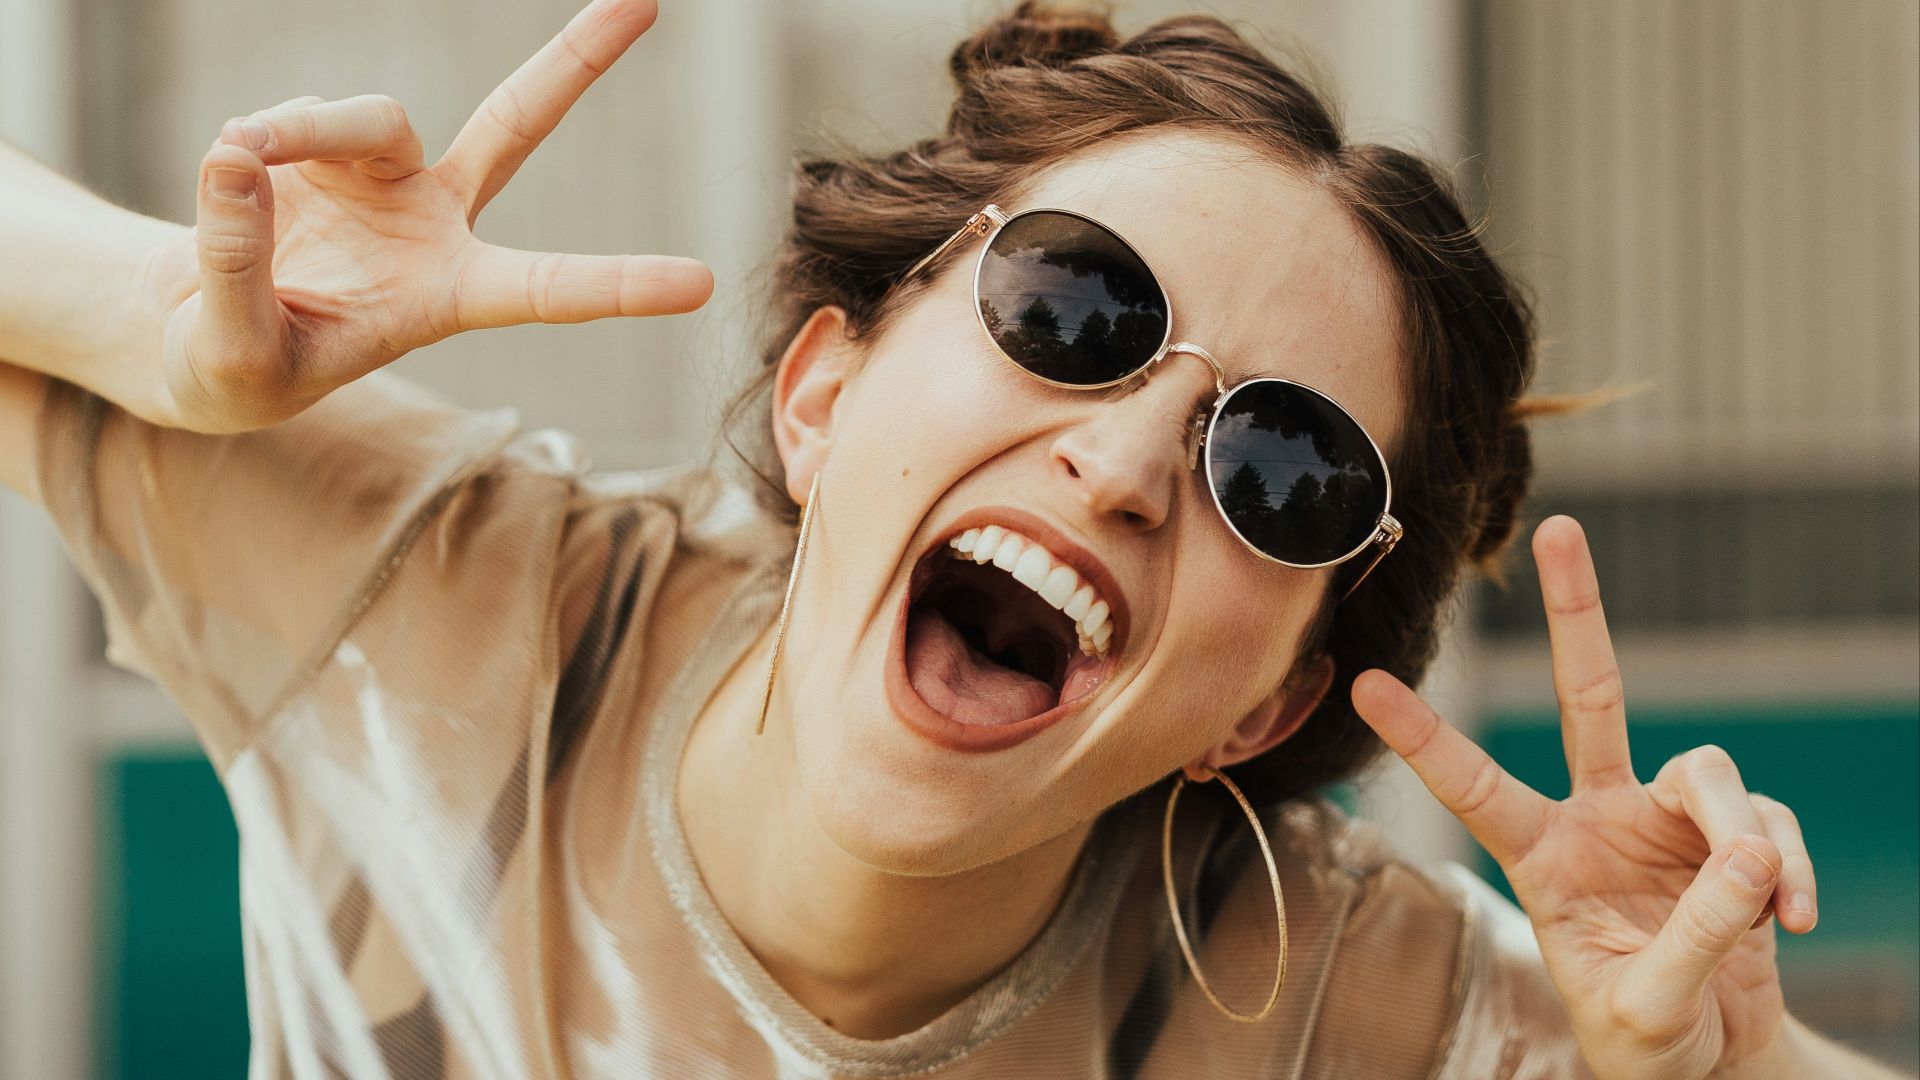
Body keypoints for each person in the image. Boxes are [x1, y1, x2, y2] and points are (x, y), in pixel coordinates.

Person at [0, 1, 1907, 1077]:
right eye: (1075, 312)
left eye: (1287, 471)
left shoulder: (1326, 996)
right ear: (825, 392)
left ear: (1263, 707)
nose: (1132, 462)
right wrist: (160, 322)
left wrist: (1720, 1076)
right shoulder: (439, 598)